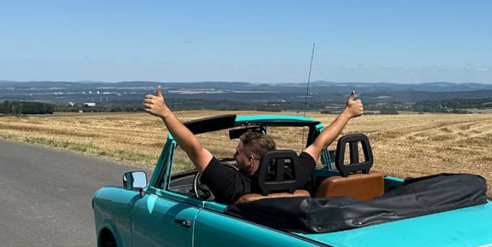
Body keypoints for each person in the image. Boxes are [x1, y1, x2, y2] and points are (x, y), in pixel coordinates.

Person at [143, 86, 364, 204]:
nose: (233, 155)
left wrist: (165, 114)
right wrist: (347, 113)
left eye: (237, 152)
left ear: (250, 160)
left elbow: (193, 147)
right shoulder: (296, 173)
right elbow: (320, 143)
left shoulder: (235, 185)